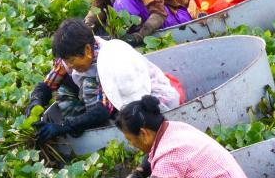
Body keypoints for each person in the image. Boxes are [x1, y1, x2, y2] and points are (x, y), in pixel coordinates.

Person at [94, 96, 254, 178]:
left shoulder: (169, 155)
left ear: (143, 133)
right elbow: (155, 153)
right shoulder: (173, 128)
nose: (131, 144)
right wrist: (139, 173)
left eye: (130, 139)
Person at [27, 19, 181, 143]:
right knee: (63, 89)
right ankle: (85, 125)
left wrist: (64, 126)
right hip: (110, 105)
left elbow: (101, 111)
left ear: (88, 50)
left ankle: (100, 130)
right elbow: (47, 85)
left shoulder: (108, 60)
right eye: (68, 62)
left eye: (72, 60)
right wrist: (35, 104)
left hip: (147, 102)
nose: (71, 66)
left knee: (88, 86)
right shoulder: (70, 57)